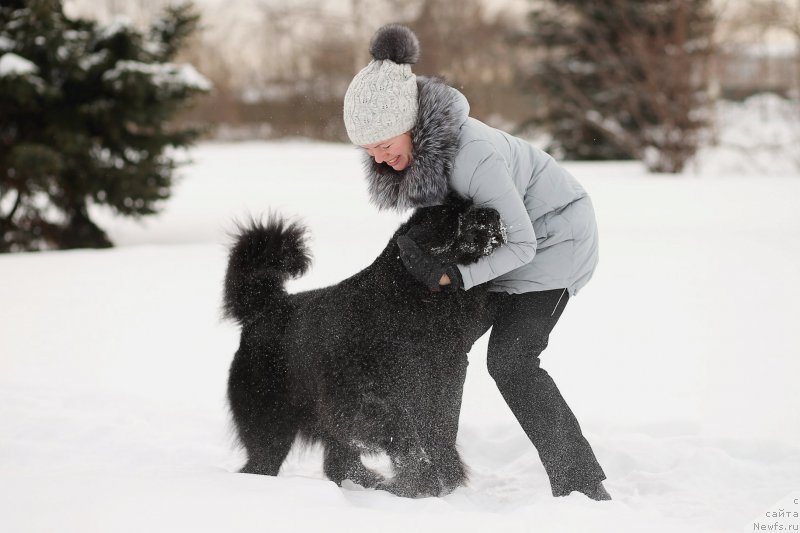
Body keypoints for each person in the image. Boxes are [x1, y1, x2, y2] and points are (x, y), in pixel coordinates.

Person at [342, 23, 610, 500]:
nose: (381, 159)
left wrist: (456, 275)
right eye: (370, 151)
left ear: (409, 122)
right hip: (500, 244)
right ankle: (434, 469)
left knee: (511, 362)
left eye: (386, 144)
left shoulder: (473, 157)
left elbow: (523, 245)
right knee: (437, 344)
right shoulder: (420, 158)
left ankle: (581, 486)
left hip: (554, 239)